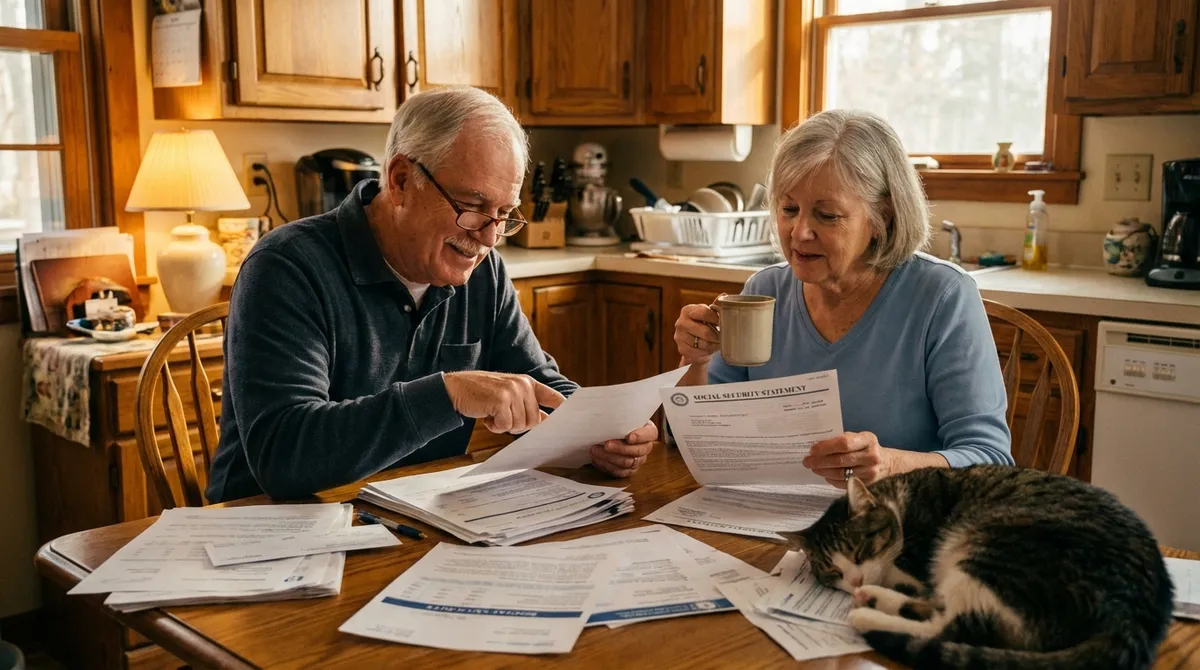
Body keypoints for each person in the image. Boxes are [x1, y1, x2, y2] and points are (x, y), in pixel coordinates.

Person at [206, 87, 656, 503]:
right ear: (401, 180)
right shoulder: (286, 266)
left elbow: (533, 383)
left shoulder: (483, 271)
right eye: (472, 206)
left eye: (504, 213)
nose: (489, 237)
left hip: (415, 516)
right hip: (268, 530)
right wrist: (448, 394)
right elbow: (284, 457)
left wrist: (603, 430)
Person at [673, 109, 1013, 489]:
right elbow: (704, 440)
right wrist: (695, 362)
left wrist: (889, 465)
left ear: (882, 216)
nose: (800, 232)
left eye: (827, 215)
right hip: (776, 511)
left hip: (897, 516)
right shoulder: (763, 292)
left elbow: (990, 460)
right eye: (789, 209)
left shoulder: (942, 296)